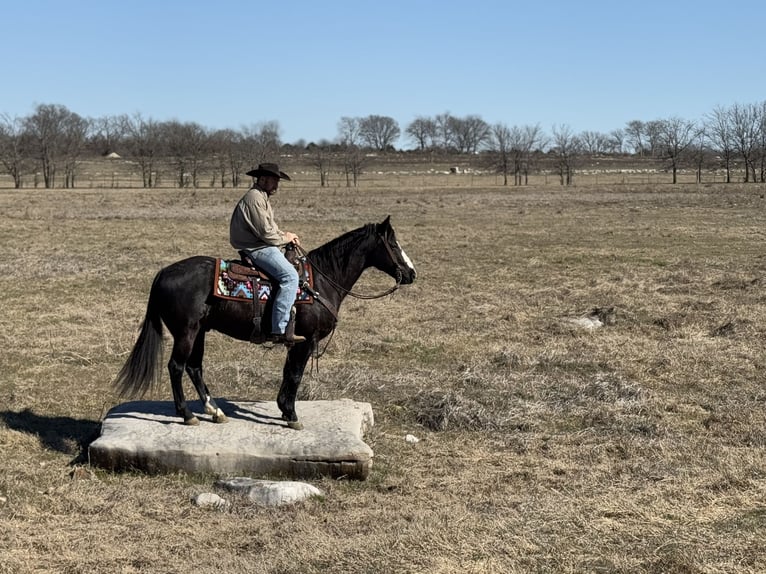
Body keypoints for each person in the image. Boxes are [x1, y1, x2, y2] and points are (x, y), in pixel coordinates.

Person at [229, 163, 306, 345]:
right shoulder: (254, 198)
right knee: (290, 277)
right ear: (262, 179)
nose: (276, 185)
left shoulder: (261, 197)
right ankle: (279, 329)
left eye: (277, 181)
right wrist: (285, 237)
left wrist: (285, 236)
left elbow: (269, 229)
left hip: (262, 244)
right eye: (273, 181)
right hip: (257, 248)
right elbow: (266, 233)